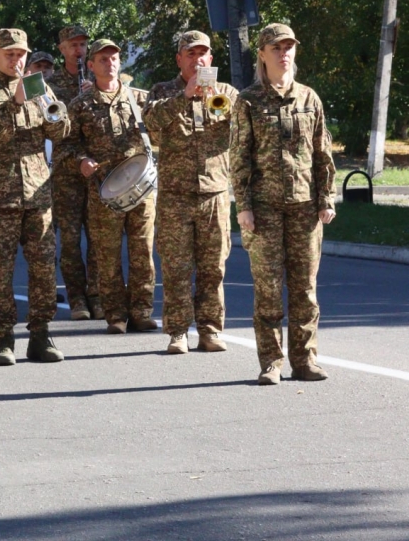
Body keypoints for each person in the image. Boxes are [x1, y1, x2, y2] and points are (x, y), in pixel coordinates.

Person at [230, 23, 336, 386]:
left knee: (305, 288)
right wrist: (243, 205)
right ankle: (271, 361)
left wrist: (326, 198)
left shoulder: (310, 98)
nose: (284, 53)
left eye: (289, 46)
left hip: (305, 208)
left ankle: (305, 360)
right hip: (264, 208)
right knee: (268, 288)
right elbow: (239, 157)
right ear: (262, 54)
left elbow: (322, 154)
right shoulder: (247, 101)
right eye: (276, 47)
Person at [0, 27, 69, 366]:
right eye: (9, 54)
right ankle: (5, 337)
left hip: (37, 194)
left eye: (21, 54)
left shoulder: (40, 85)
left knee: (43, 267)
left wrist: (49, 108)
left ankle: (41, 334)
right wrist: (14, 104)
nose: (16, 59)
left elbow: (60, 129)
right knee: (0, 269)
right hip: (1, 195)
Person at [143, 30, 238, 354]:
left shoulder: (226, 93)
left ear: (211, 59)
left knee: (214, 267)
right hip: (175, 196)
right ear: (179, 59)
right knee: (176, 267)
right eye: (191, 53)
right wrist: (185, 96)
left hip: (214, 194)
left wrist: (212, 100)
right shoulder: (162, 92)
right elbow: (152, 128)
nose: (198, 59)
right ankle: (178, 331)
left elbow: (240, 133)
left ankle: (210, 330)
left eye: (204, 54)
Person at [62, 39, 157, 335]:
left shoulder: (137, 99)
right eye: (103, 59)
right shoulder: (80, 106)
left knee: (142, 252)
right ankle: (115, 313)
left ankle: (142, 311)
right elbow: (66, 145)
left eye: (114, 58)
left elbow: (160, 130)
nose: (110, 63)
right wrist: (81, 160)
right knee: (107, 254)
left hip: (140, 189)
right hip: (103, 190)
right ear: (91, 66)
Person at [47, 24, 102, 321]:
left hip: (95, 168)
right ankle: (77, 297)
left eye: (82, 44)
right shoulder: (50, 84)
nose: (78, 50)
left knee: (97, 237)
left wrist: (95, 97)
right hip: (67, 169)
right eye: (73, 45)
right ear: (62, 49)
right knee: (69, 239)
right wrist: (73, 103)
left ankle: (97, 295)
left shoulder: (98, 79)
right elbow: (50, 125)